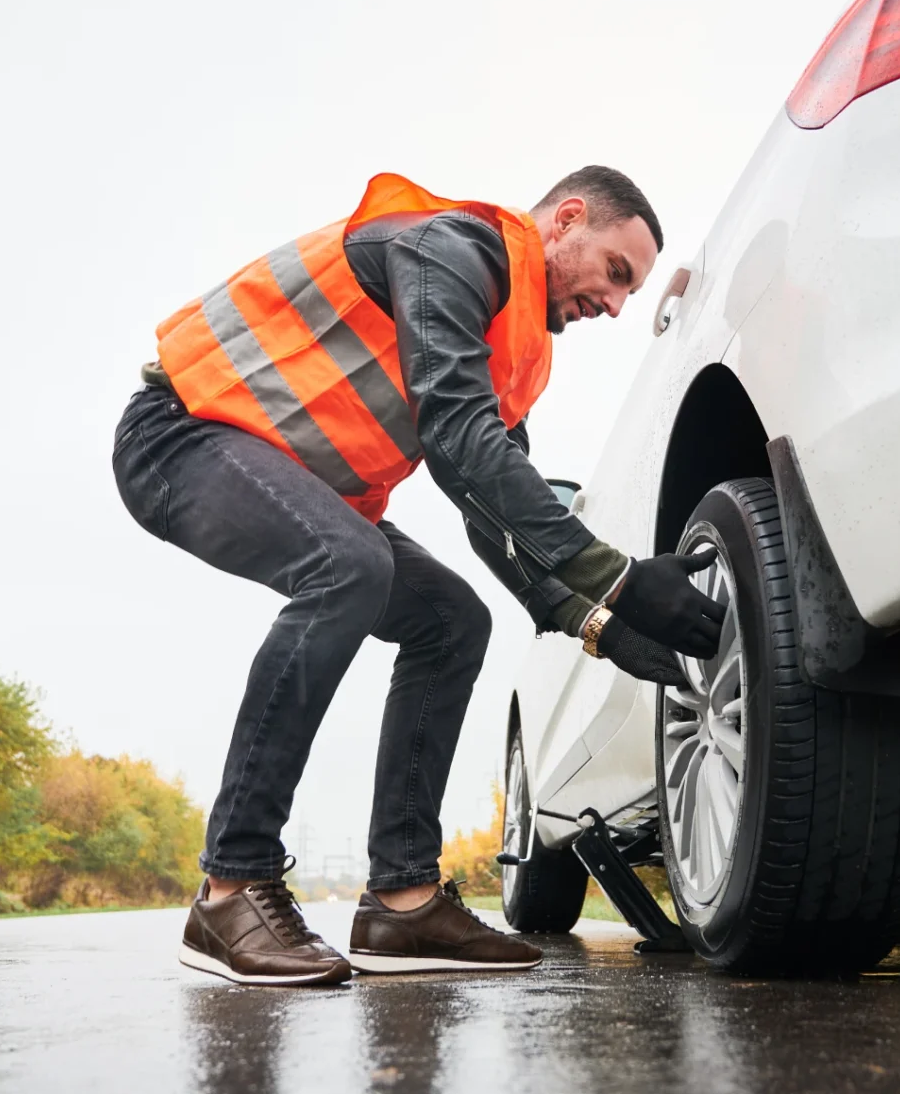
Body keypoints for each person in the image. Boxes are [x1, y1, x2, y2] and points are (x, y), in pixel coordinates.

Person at [112, 167, 725, 986]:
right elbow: (458, 441)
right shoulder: (452, 250)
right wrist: (620, 578)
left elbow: (495, 514)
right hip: (178, 432)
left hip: (285, 475)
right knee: (349, 565)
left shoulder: (510, 350)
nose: (615, 305)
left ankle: (401, 906)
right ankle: (230, 886)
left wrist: (604, 625)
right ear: (567, 219)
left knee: (451, 620)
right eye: (616, 272)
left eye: (629, 290)